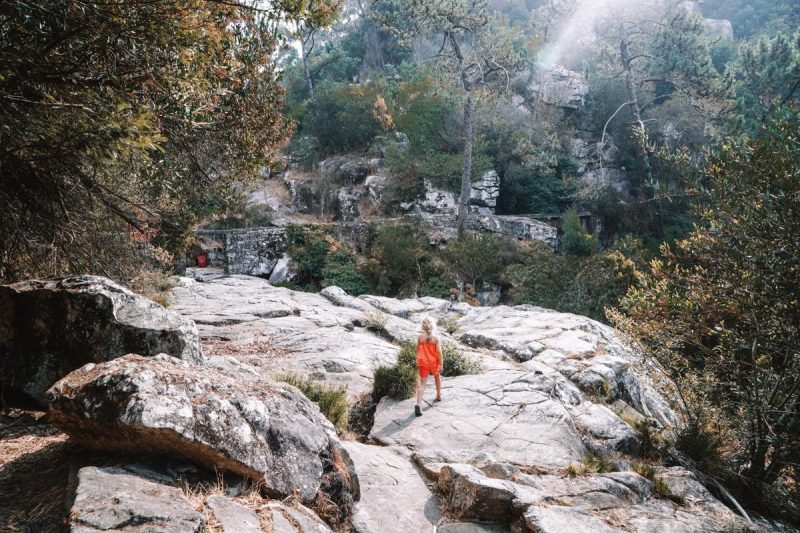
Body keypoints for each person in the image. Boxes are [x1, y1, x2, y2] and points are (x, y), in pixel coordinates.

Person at [415, 317, 442, 417]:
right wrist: (441, 364)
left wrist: (420, 359)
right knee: (437, 377)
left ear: (423, 327)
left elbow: (417, 350)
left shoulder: (420, 338)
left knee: (423, 384)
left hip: (423, 363)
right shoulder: (436, 338)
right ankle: (438, 395)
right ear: (433, 325)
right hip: (434, 362)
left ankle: (418, 403)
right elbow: (439, 352)